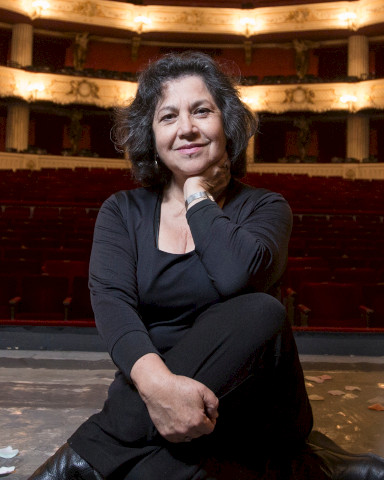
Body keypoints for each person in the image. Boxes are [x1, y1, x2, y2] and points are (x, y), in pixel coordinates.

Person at [29, 52, 384, 480]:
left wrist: (198, 195)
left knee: (261, 310)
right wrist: (159, 386)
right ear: (151, 136)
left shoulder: (266, 206)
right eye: (168, 117)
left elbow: (238, 276)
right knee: (178, 469)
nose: (187, 129)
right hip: (160, 406)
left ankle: (87, 455)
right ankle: (301, 468)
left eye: (202, 111)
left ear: (226, 124)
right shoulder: (122, 210)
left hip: (255, 406)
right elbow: (112, 304)